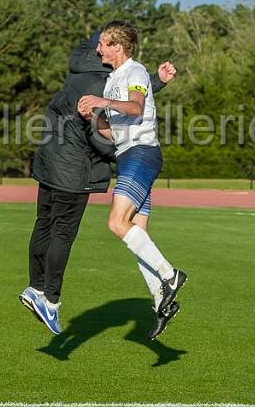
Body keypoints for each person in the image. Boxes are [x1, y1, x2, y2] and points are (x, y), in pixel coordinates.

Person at [19, 31, 176, 336]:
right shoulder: (101, 83)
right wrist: (119, 147)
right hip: (75, 169)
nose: (101, 48)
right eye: (102, 44)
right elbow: (105, 131)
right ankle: (50, 300)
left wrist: (153, 81)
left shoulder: (82, 66)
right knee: (72, 232)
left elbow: (130, 91)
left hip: (49, 159)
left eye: (106, 43)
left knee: (45, 225)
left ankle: (36, 288)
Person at [77, 20, 187, 340]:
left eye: (103, 44)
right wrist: (95, 119)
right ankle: (161, 301)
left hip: (142, 154)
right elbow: (114, 133)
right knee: (136, 232)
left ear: (117, 47)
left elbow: (136, 109)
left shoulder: (135, 72)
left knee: (116, 223)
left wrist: (102, 103)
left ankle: (170, 275)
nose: (98, 49)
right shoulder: (113, 79)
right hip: (128, 154)